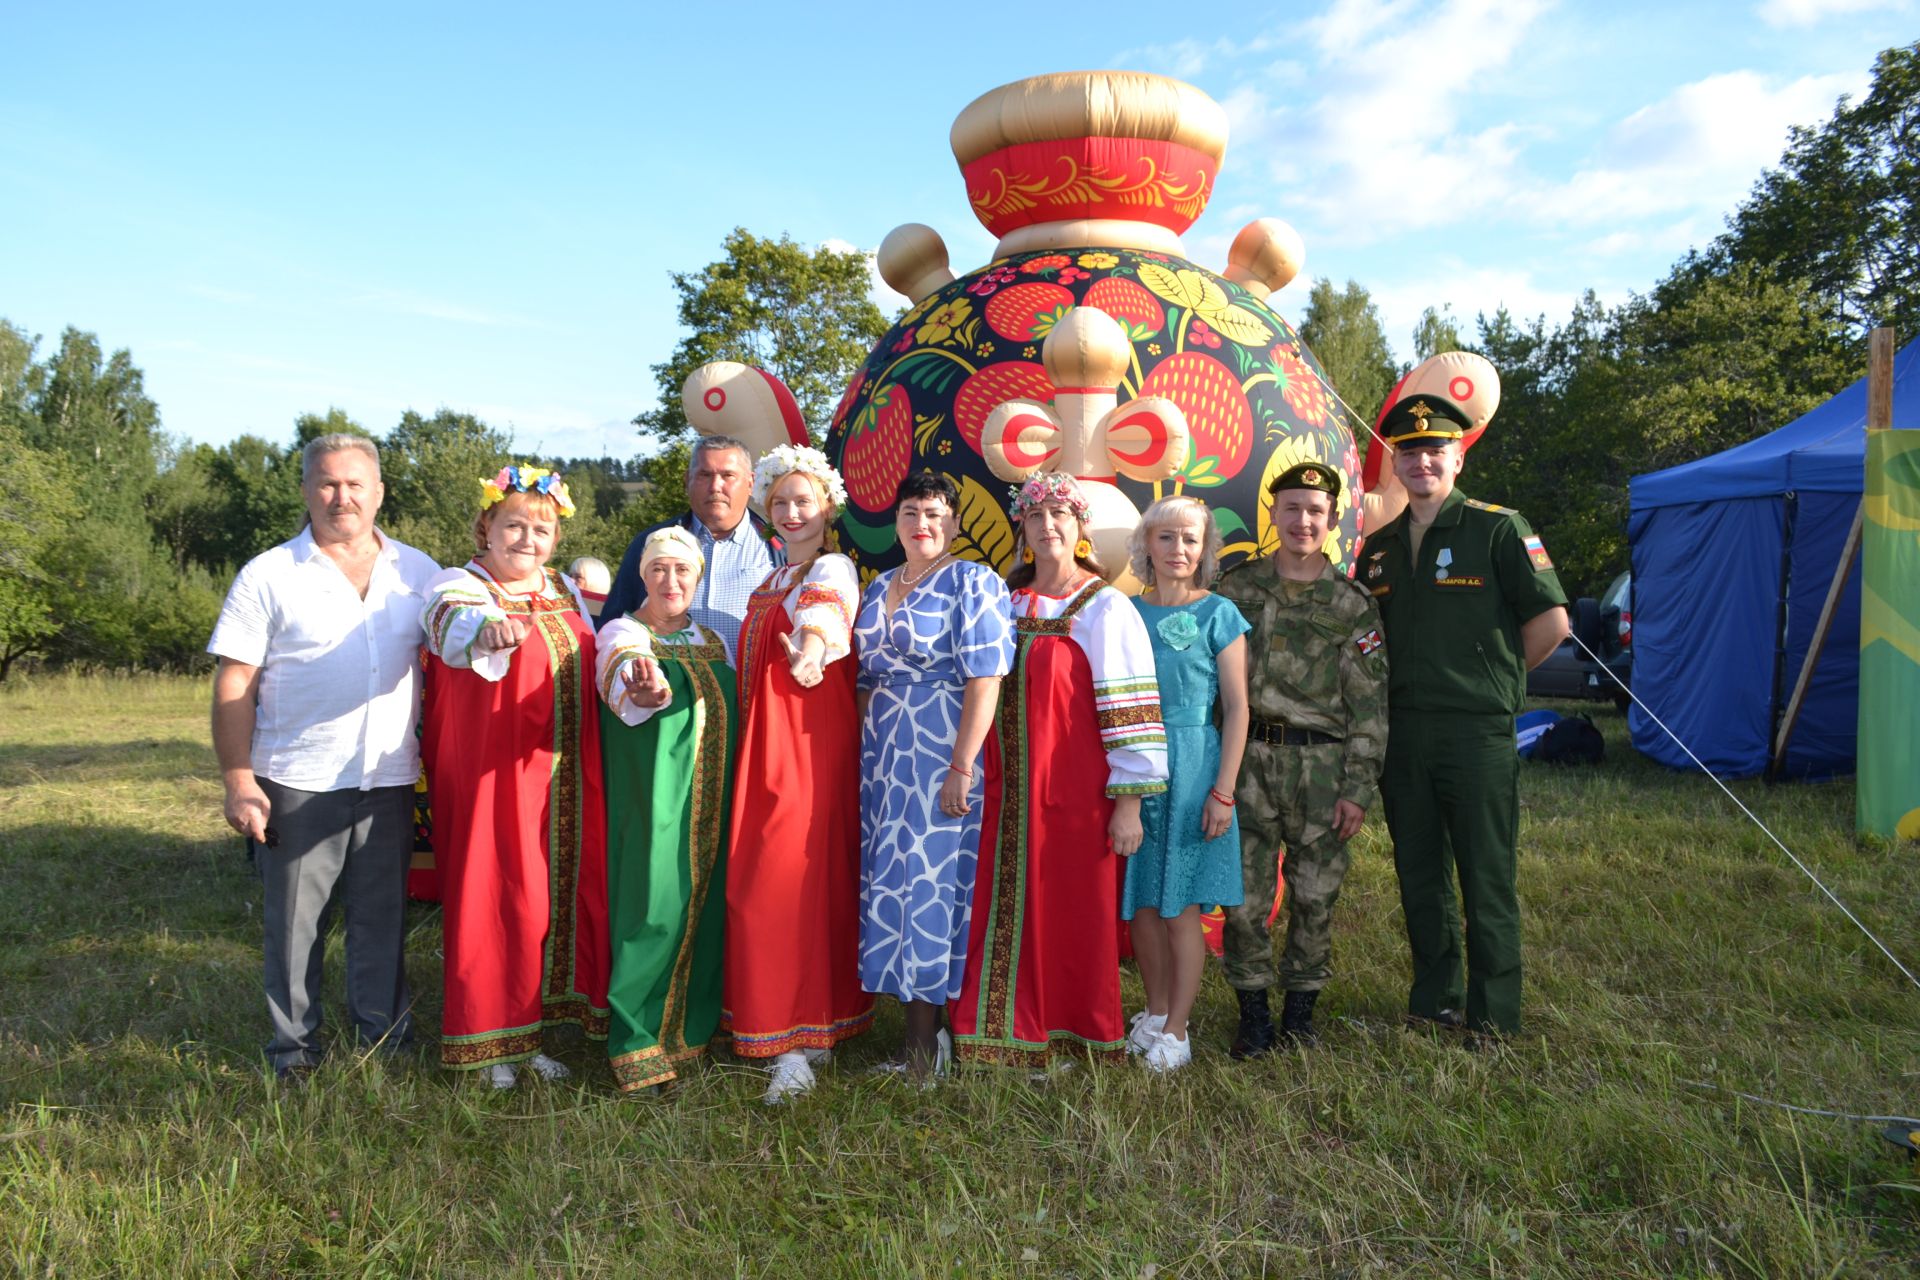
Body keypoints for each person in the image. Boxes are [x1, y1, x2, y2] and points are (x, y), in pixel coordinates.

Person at [208, 433, 440, 1080]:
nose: (343, 497)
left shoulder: (421, 573)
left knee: (382, 922)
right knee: (295, 930)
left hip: (389, 780)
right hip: (296, 782)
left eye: (356, 484)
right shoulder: (268, 574)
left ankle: (385, 1043)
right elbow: (234, 683)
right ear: (307, 490)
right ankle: (293, 1054)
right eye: (328, 483)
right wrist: (238, 781)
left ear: (380, 492)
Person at [1362, 394, 1569, 1039]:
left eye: (1434, 450)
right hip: (1403, 731)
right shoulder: (1379, 548)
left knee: (1485, 874)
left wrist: (1494, 683)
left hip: (1475, 730)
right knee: (1419, 873)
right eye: (1409, 451)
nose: (1421, 460)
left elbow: (1553, 622)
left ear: (1457, 460)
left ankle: (1493, 1016)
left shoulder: (1499, 529)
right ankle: (1433, 1001)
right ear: (1395, 464)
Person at [952, 473, 1169, 1067]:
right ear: (1021, 528)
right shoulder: (1004, 600)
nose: (1048, 526)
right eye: (1036, 516)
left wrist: (1128, 800)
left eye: (1060, 516)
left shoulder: (1103, 605)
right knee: (998, 897)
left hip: (1073, 789)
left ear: (1078, 529)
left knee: (1071, 905)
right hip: (1003, 785)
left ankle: (1073, 1028)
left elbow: (1131, 705)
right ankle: (998, 1027)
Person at [418, 465, 610, 1086]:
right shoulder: (462, 586)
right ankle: (486, 1044)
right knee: (494, 897)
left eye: (542, 527)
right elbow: (450, 625)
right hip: (490, 776)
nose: (528, 538)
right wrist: (488, 630)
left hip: (561, 776)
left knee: (543, 903)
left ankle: (524, 1035)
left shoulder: (564, 590)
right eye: (515, 525)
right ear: (486, 528)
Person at [1215, 463, 1387, 1054]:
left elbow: (1369, 706)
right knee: (1243, 901)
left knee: (1315, 899)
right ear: (1274, 514)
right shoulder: (1235, 589)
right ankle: (1253, 1014)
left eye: (1316, 510)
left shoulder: (1351, 602)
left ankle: (1299, 1014)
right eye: (1292, 508)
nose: (1303, 521)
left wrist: (1358, 789)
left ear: (1333, 521)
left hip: (1323, 771)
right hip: (1249, 763)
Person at [723, 445, 872, 1102]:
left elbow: (825, 612)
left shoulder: (831, 567)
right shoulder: (766, 581)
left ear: (827, 508)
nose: (790, 511)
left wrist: (810, 654)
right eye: (780, 502)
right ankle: (775, 1021)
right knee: (767, 879)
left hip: (807, 742)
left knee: (794, 880)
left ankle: (800, 1038)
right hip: (765, 741)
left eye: (802, 501)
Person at [854, 472, 1014, 1078]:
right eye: (911, 512)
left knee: (930, 888)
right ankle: (907, 1039)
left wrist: (961, 765)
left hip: (940, 749)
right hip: (884, 760)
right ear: (895, 521)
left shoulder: (973, 582)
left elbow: (985, 678)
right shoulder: (876, 587)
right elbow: (865, 681)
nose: (922, 523)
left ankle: (928, 1048)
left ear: (953, 524)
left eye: (935, 513)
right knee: (891, 883)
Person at [596, 526, 738, 1094]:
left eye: (682, 570)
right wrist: (644, 689)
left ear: (697, 578)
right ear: (642, 575)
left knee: (703, 912)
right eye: (659, 570)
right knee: (652, 910)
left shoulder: (712, 639)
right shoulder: (625, 631)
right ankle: (635, 1044)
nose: (670, 581)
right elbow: (622, 670)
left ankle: (688, 1032)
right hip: (652, 799)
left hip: (712, 798)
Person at [1122, 496, 1251, 1073]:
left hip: (1196, 761)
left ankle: (1179, 1029)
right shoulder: (1123, 610)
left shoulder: (1220, 613)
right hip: (1134, 763)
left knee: (1181, 905)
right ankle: (1153, 1013)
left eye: (1190, 540)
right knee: (1144, 902)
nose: (1178, 550)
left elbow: (1239, 708)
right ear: (1147, 545)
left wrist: (1223, 790)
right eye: (1166, 538)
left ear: (1205, 550)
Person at [598, 435, 781, 655]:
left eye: (728, 476)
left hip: (755, 688)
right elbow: (614, 625)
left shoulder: (779, 548)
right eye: (705, 475)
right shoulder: (650, 545)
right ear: (687, 480)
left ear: (751, 482)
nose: (716, 486)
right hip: (668, 686)